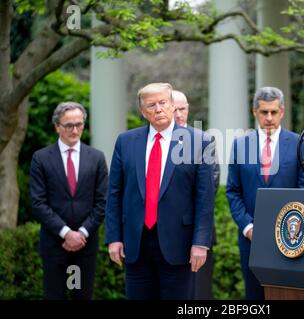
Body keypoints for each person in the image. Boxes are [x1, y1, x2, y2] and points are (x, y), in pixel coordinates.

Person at [105, 83, 215, 300]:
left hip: (179, 245)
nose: (158, 109)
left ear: (173, 105)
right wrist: (113, 238)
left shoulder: (200, 142)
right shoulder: (125, 142)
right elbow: (114, 193)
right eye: (151, 105)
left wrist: (201, 243)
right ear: (143, 112)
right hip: (135, 245)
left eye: (163, 103)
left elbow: (205, 198)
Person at [226, 86, 304, 300]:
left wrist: (291, 228)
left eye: (274, 112)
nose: (269, 118)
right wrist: (247, 227)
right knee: (254, 297)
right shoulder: (240, 145)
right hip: (251, 239)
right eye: (264, 112)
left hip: (291, 238)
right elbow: (233, 191)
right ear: (254, 112)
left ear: (282, 112)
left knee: (287, 294)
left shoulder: (299, 144)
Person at [29, 102, 108, 300]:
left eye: (79, 124)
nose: (75, 130)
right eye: (69, 125)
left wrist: (81, 233)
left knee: (82, 296)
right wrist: (66, 233)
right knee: (54, 296)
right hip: (55, 244)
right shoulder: (41, 158)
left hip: (85, 244)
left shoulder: (97, 158)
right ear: (57, 126)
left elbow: (103, 201)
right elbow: (38, 202)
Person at [173, 90, 220, 299]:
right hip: (165, 232)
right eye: (174, 109)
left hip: (198, 229)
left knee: (199, 293)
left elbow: (212, 182)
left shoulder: (204, 140)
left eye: (182, 109)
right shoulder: (154, 143)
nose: (178, 114)